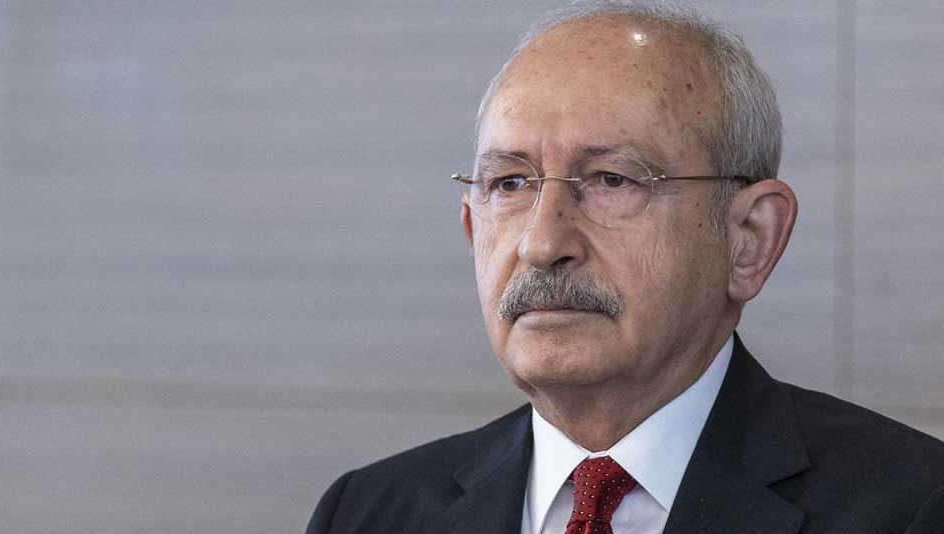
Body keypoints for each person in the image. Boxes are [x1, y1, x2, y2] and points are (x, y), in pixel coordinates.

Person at [308, 2, 944, 532]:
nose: (542, 243)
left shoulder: (912, 506)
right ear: (472, 229)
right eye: (510, 183)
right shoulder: (366, 513)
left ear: (749, 239)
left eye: (612, 179)